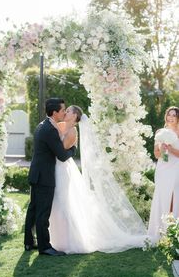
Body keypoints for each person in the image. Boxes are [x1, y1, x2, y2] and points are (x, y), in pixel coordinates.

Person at [49, 106, 147, 254]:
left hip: (63, 168)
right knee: (56, 203)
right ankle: (55, 238)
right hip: (54, 167)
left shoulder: (73, 132)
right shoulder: (60, 125)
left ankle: (69, 240)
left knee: (64, 202)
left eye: (68, 111)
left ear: (75, 116)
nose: (65, 112)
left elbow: (60, 151)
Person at [24, 98, 77, 256]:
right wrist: (73, 149)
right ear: (54, 113)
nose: (64, 112)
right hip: (44, 176)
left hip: (37, 173)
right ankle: (45, 247)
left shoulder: (43, 125)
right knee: (42, 213)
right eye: (62, 110)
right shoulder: (50, 130)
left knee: (33, 210)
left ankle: (29, 242)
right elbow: (61, 156)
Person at [148, 106, 179, 242]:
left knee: (174, 196)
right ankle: (159, 230)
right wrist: (162, 149)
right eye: (169, 115)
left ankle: (172, 229)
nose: (171, 118)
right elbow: (156, 155)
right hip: (162, 168)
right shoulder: (160, 132)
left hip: (176, 167)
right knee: (162, 195)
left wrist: (171, 148)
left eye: (174, 115)